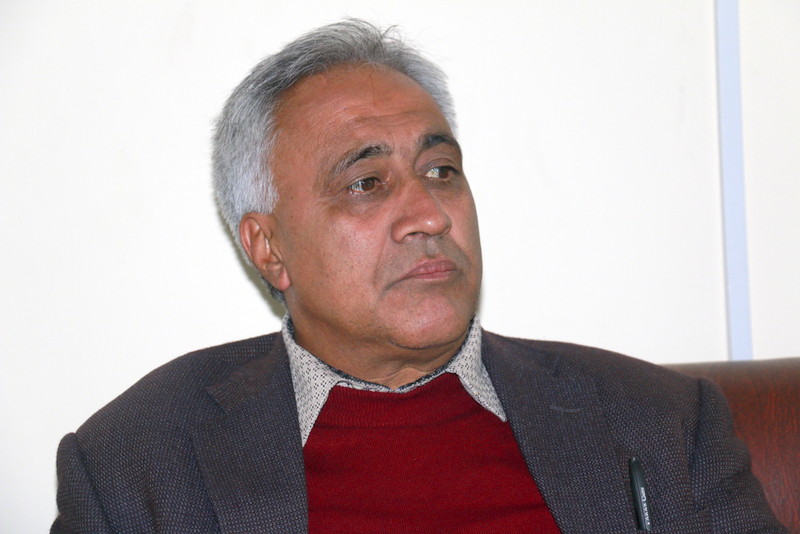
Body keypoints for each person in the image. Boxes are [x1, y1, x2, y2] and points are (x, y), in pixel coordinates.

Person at [52, 19, 786, 534]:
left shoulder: (658, 420)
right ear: (268, 247)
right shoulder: (138, 463)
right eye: (366, 184)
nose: (429, 214)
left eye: (441, 171)